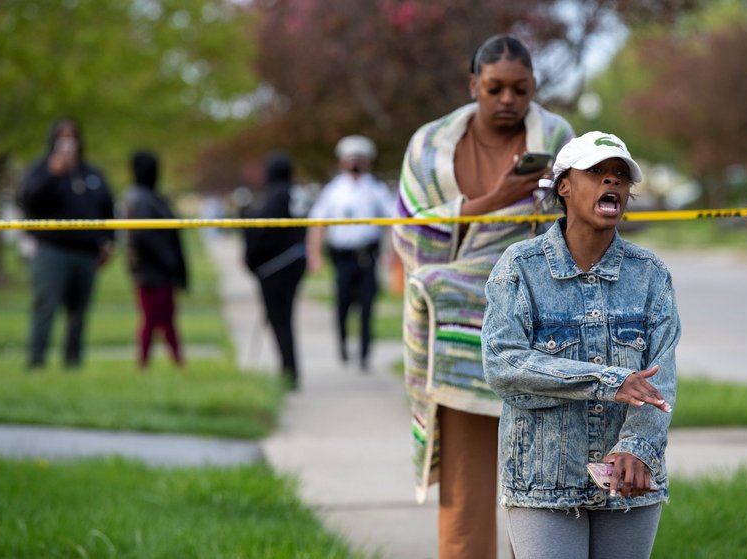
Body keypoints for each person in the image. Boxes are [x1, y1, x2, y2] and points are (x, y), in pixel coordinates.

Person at [391, 34, 574, 558]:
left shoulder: (558, 136)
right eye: (494, 88)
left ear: (534, 86)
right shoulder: (428, 145)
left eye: (520, 88)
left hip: (540, 332)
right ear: (474, 85)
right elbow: (408, 236)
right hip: (457, 337)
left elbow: (582, 227)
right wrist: (498, 200)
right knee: (467, 488)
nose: (508, 100)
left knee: (542, 480)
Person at [482, 131, 681, 559]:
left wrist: (638, 446)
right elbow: (503, 364)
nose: (612, 183)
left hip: (630, 476)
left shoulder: (651, 275)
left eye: (620, 176)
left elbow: (661, 375)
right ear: (565, 186)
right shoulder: (519, 268)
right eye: (597, 172)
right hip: (541, 479)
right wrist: (607, 380)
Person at [19, 116, 115, 370]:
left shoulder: (92, 173)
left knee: (79, 313)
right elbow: (28, 201)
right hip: (52, 250)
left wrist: (109, 241)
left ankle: (72, 364)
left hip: (86, 253)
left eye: (72, 135)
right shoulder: (41, 170)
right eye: (62, 136)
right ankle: (36, 363)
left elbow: (107, 208)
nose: (68, 142)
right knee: (45, 308)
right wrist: (52, 174)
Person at [306, 135, 395, 371]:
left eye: (359, 158)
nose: (355, 162)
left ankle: (365, 354)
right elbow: (318, 223)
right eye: (350, 158)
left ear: (367, 162)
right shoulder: (334, 190)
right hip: (342, 258)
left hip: (367, 257)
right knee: (342, 305)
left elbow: (394, 221)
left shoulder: (376, 189)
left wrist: (393, 254)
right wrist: (314, 255)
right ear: (342, 162)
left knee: (367, 307)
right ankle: (343, 345)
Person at [243, 152, 307, 389]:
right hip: (292, 264)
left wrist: (251, 260)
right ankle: (290, 370)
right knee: (284, 319)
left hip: (276, 268)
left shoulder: (277, 196)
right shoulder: (294, 195)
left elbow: (261, 231)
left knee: (280, 321)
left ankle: (289, 372)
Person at [123, 150, 188, 369]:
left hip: (159, 271)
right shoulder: (140, 199)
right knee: (153, 320)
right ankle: (146, 364)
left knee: (164, 319)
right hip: (151, 272)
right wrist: (168, 260)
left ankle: (175, 363)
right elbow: (144, 237)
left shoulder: (150, 198)